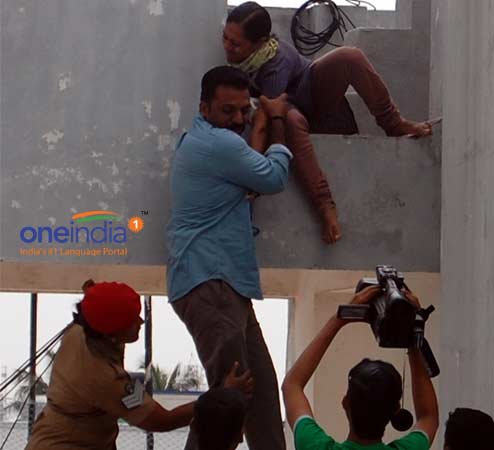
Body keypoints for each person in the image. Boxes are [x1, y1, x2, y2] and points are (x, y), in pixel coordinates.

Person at [224, 1, 434, 244]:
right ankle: (323, 204)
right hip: (293, 112)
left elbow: (265, 121)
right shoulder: (246, 62)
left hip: (317, 105)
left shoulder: (275, 64)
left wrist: (250, 173)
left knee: (350, 56)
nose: (227, 47)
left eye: (235, 44)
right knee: (291, 118)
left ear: (260, 42)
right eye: (225, 38)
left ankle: (392, 125)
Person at [166, 65, 292, 450]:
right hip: (212, 283)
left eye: (244, 110)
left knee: (261, 395)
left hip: (225, 285)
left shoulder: (208, 140)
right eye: (227, 110)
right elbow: (273, 177)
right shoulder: (218, 144)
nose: (238, 119)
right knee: (225, 406)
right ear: (204, 108)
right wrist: (277, 120)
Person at [25, 280, 253, 450]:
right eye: (133, 320)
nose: (141, 321)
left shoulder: (83, 330)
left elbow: (96, 302)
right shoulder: (107, 380)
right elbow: (161, 420)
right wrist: (220, 396)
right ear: (113, 333)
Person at [282, 285, 439, 450]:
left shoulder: (315, 446)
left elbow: (292, 385)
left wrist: (339, 319)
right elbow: (428, 416)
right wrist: (413, 330)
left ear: (345, 403)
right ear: (395, 410)